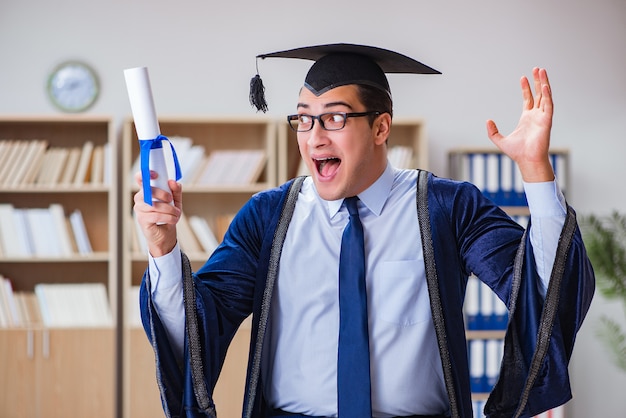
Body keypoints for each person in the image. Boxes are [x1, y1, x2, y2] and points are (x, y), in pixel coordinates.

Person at [134, 44, 595, 418]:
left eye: (334, 118)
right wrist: (163, 249)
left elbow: (544, 289)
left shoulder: (447, 208)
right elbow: (195, 329)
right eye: (304, 118)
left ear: (381, 127)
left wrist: (536, 172)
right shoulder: (267, 217)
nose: (315, 137)